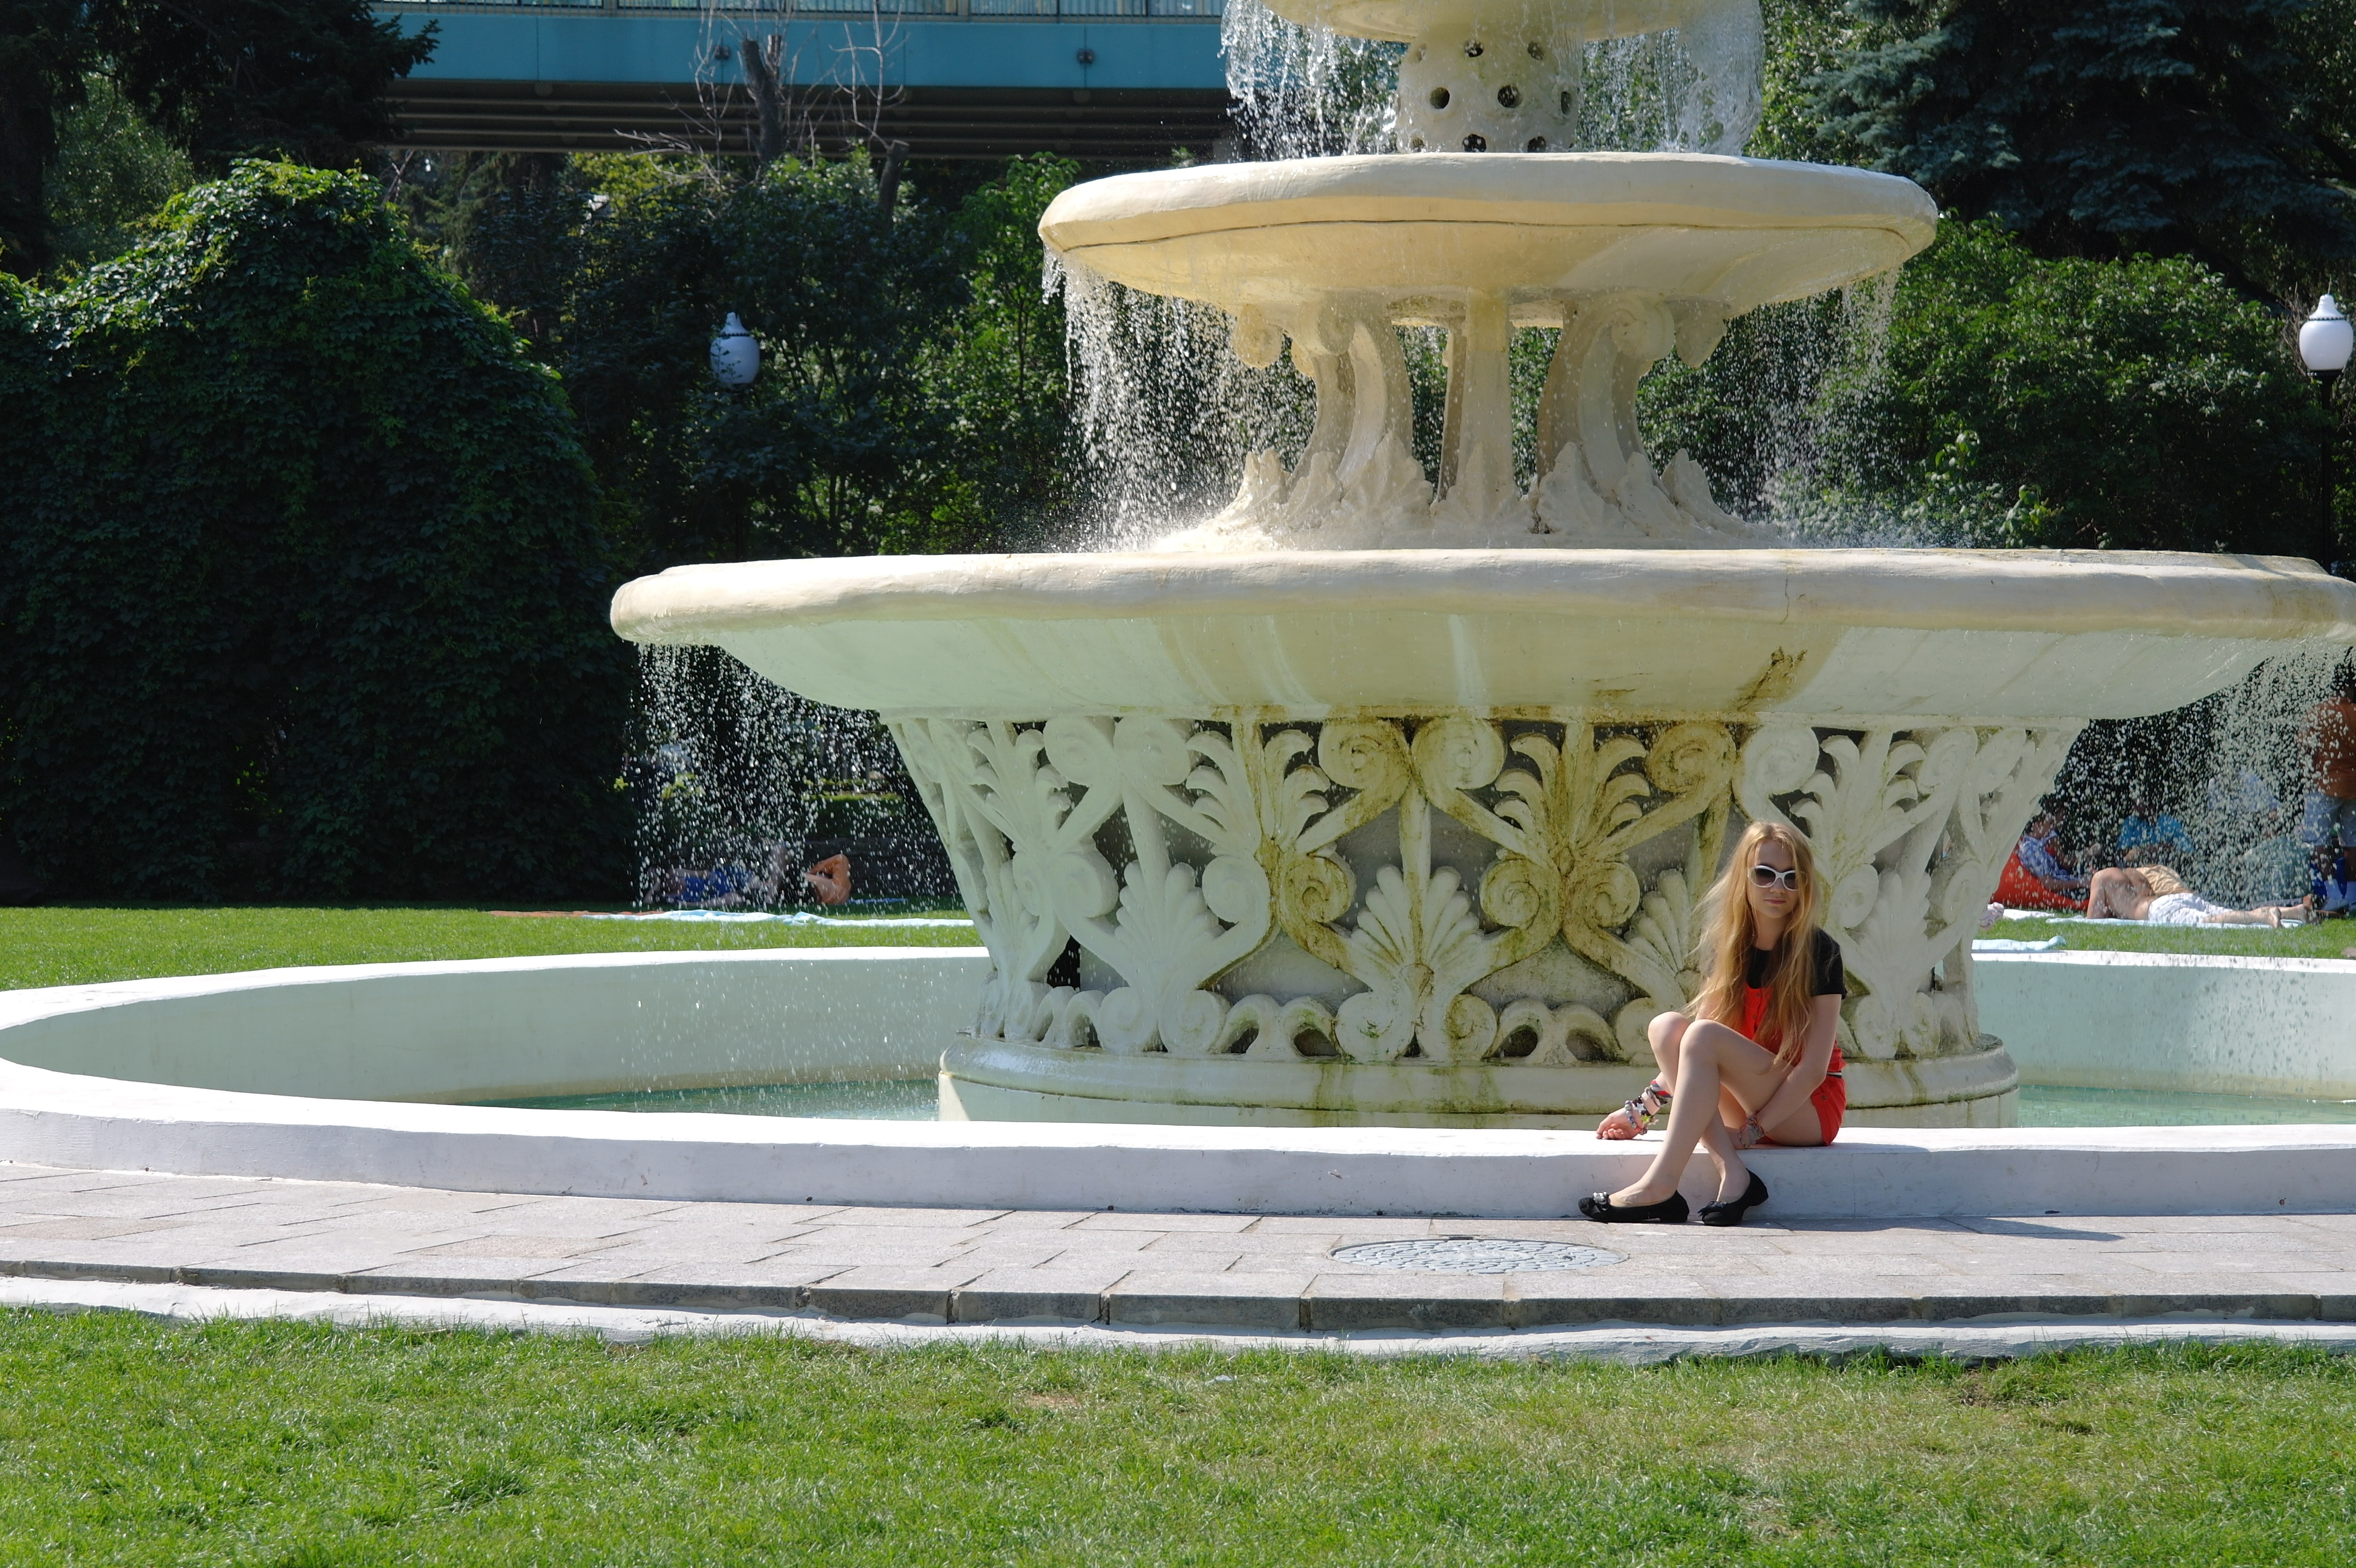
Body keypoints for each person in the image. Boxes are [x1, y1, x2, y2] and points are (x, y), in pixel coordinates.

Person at [1583, 820, 1844, 1228]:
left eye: (1792, 878)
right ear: (1744, 877)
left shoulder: (1819, 951)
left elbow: (1812, 1071)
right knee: (1668, 1028)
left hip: (1807, 1111)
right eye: (1765, 874)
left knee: (1701, 1034)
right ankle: (1733, 1173)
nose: (1778, 887)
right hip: (1750, 1103)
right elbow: (1693, 1053)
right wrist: (1641, 1111)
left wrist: (1753, 1132)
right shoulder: (1731, 947)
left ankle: (1661, 1184)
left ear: (1805, 885)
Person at [2084, 863, 2309, 926]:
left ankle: (2264, 916)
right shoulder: (2133, 873)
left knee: (2212, 921)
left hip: (2159, 910)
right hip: (2172, 898)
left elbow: (2094, 922)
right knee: (2228, 913)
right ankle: (2293, 912)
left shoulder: (2100, 879)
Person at [1995, 809, 2087, 909]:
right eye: (2050, 823)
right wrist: (2081, 883)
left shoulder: (2037, 845)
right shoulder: (2030, 849)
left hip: (2067, 883)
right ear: (2038, 826)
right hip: (2065, 892)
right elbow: (2049, 884)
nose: (2052, 827)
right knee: (2098, 885)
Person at [2116, 794, 2194, 867]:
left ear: (2152, 806)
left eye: (2138, 804)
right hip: (2137, 872)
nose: (2134, 807)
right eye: (2134, 804)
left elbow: (2188, 854)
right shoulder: (2131, 822)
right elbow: (2122, 853)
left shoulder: (2171, 825)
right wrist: (2153, 849)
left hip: (2164, 872)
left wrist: (2169, 850)